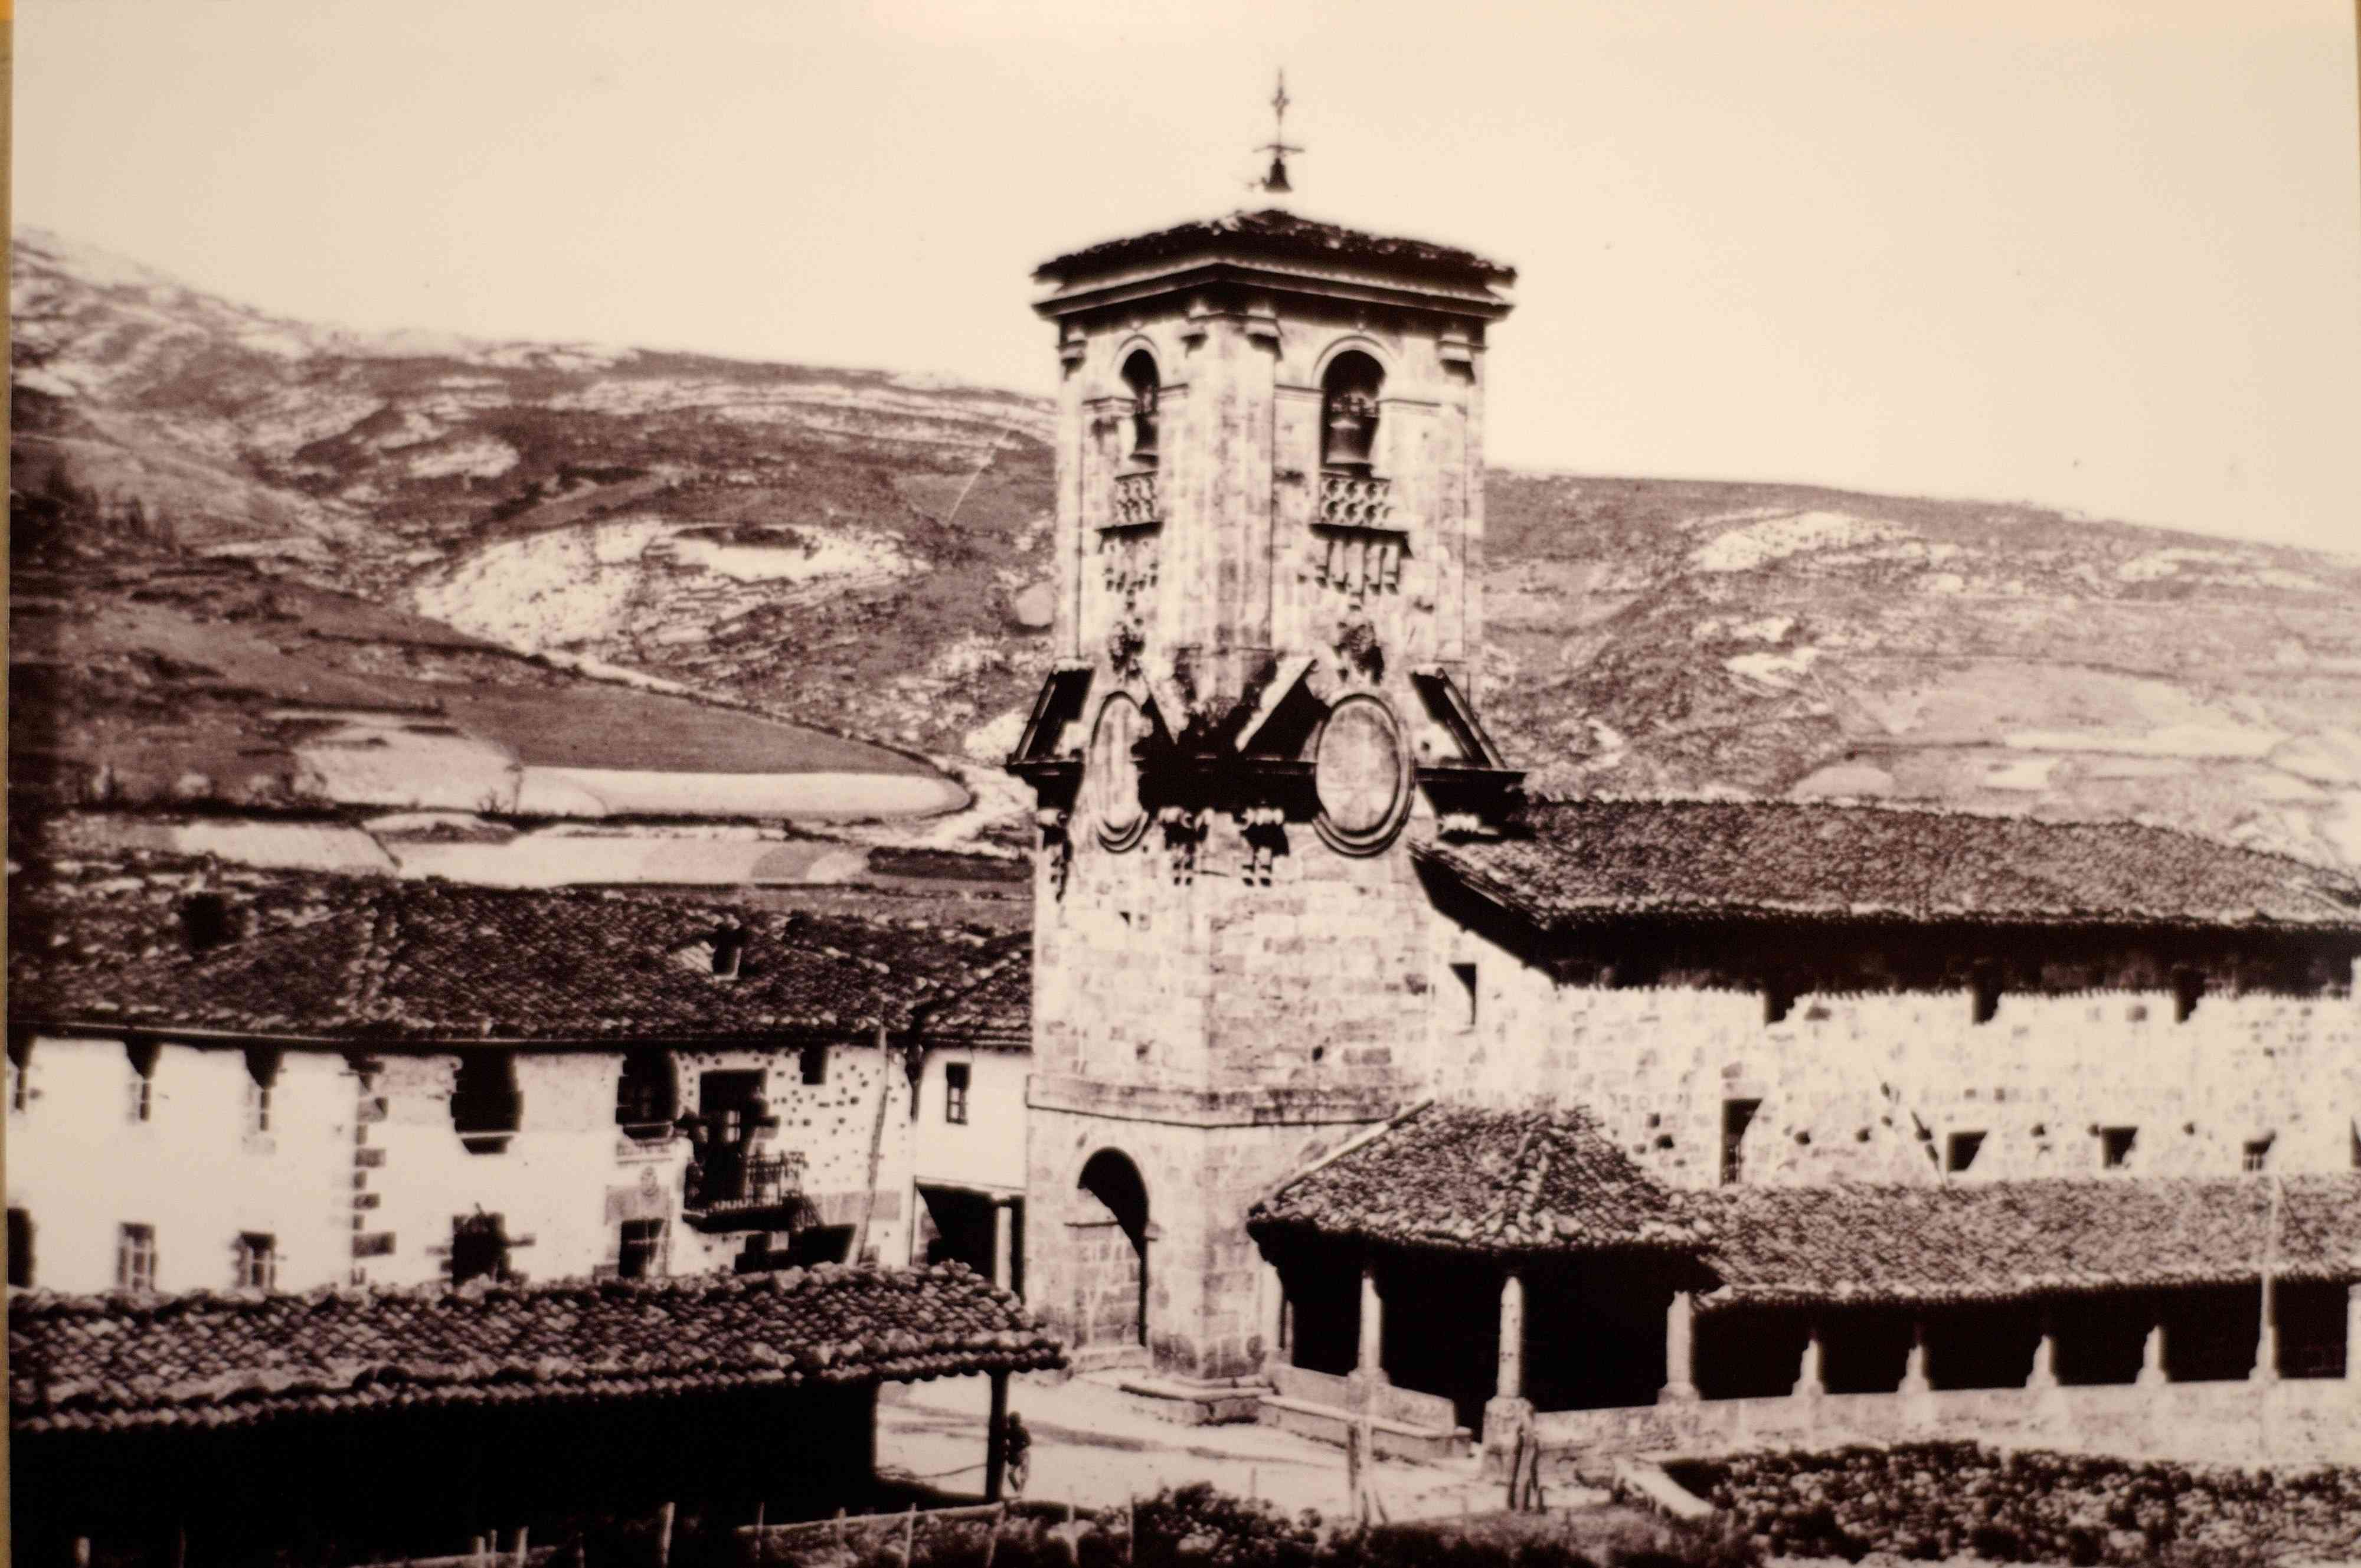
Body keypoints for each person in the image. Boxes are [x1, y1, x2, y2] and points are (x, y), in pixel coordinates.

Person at [1002, 1409, 1031, 1497]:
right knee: (1013, 1475)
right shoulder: (1010, 1431)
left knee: (1019, 1475)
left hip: (1022, 1454)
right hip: (1019, 1454)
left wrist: (1015, 1448)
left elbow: (1029, 1442)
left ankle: (1019, 1493)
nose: (1011, 1424)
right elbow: (1029, 1442)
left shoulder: (1018, 1430)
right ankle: (1019, 1493)